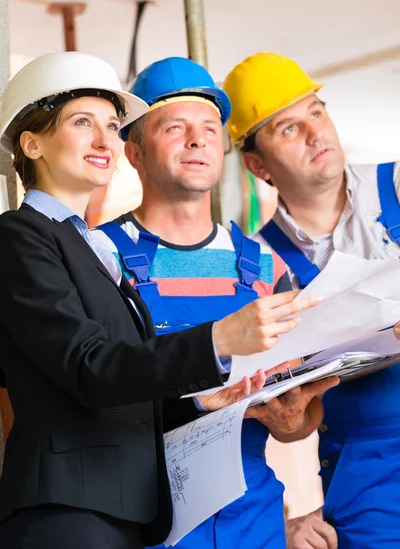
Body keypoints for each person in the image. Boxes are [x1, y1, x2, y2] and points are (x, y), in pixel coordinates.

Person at [0, 51, 319, 549]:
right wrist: (219, 339)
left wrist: (207, 402)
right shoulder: (47, 242)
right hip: (104, 513)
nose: (196, 140)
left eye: (110, 123)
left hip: (214, 516)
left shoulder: (94, 250)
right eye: (83, 122)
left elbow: (125, 392)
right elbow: (83, 373)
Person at [93, 56, 339, 549]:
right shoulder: (99, 258)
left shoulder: (265, 267)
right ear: (135, 152)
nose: (197, 138)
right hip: (144, 529)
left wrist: (294, 421)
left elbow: (304, 416)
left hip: (254, 526)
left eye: (209, 127)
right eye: (174, 127)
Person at [223, 51, 400, 549]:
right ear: (257, 164)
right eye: (288, 128)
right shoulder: (259, 265)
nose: (315, 133)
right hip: (369, 476)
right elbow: (291, 422)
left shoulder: (398, 186)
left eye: (316, 112)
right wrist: (289, 419)